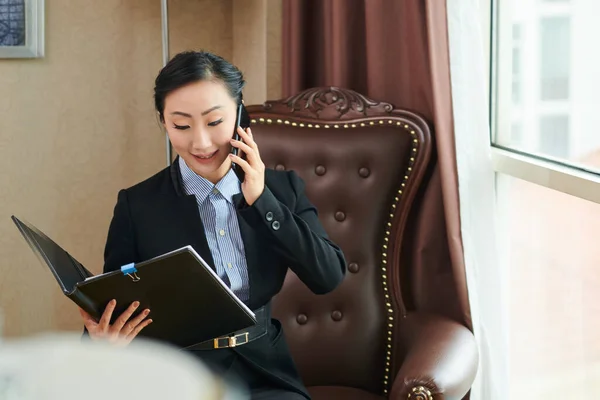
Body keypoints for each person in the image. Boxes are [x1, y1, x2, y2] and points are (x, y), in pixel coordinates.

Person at [78, 50, 347, 400]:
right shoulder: (137, 205)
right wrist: (101, 340)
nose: (201, 143)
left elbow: (328, 277)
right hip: (177, 376)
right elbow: (114, 301)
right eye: (181, 125)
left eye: (214, 122)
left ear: (239, 112)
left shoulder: (283, 190)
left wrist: (261, 201)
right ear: (163, 121)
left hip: (265, 375)